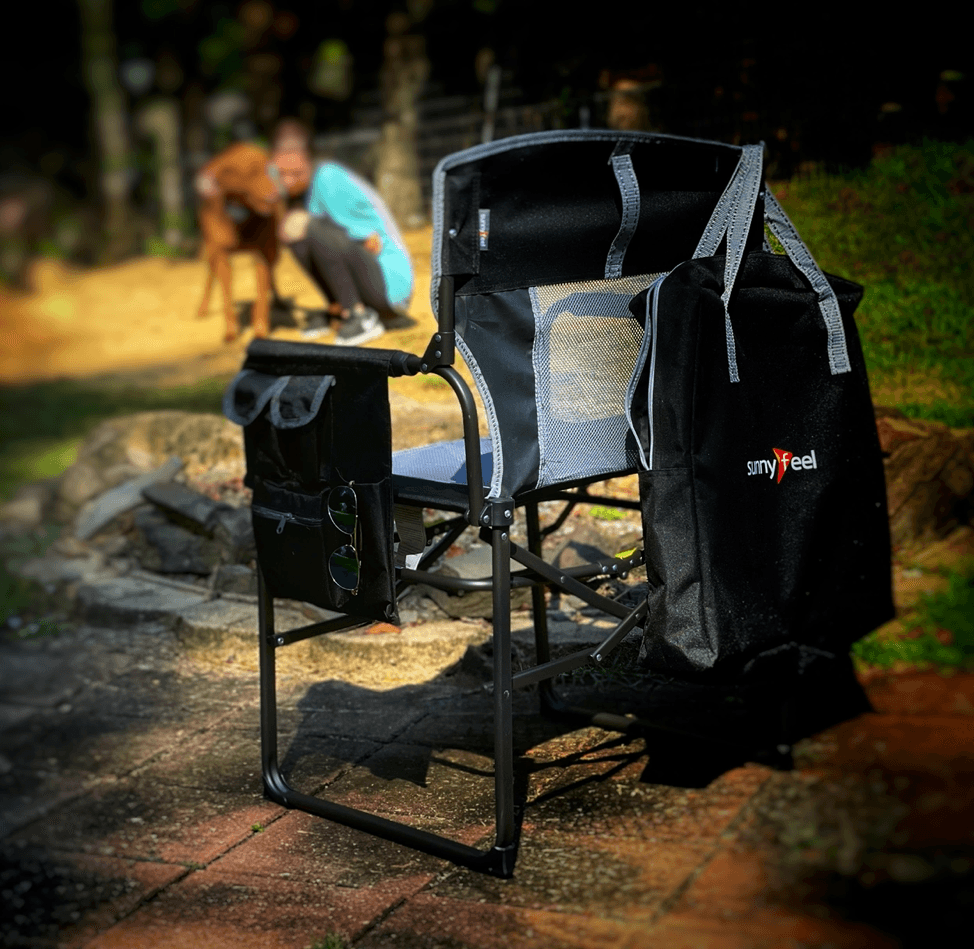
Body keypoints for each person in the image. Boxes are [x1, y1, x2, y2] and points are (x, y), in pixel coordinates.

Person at [268, 118, 413, 346]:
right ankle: (339, 308)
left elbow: (370, 242)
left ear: (308, 160)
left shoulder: (328, 178)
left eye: (295, 173)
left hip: (390, 285)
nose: (287, 180)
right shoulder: (305, 188)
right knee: (294, 228)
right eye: (281, 173)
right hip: (367, 275)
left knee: (310, 227)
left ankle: (359, 315)